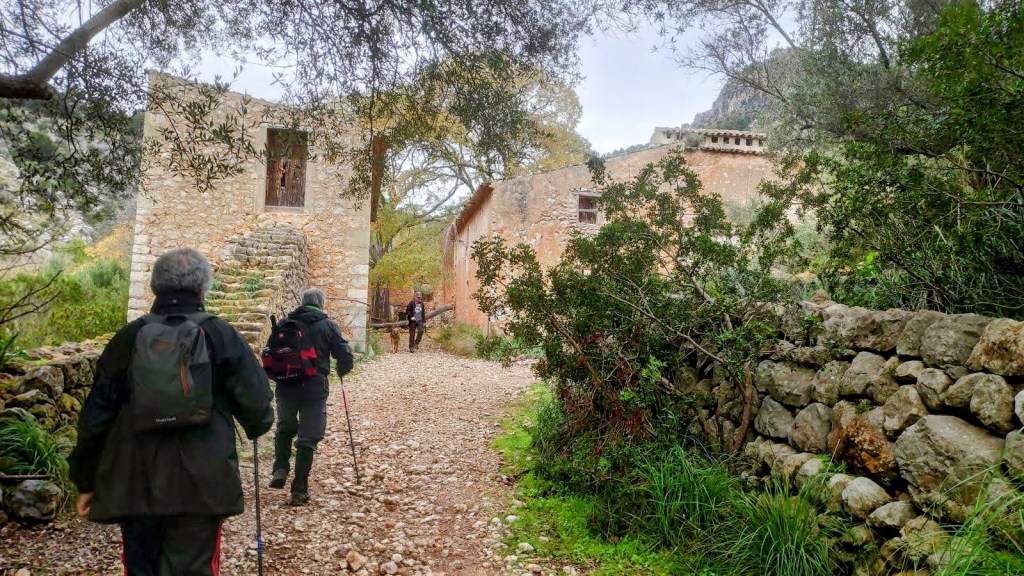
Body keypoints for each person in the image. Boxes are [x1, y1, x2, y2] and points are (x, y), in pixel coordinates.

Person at [69, 248, 274, 576]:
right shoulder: (219, 334)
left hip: (135, 483)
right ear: (203, 287)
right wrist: (255, 424)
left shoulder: (128, 338)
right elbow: (259, 408)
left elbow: (96, 415)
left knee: (140, 569)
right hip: (202, 486)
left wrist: (86, 480)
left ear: (154, 286)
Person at [268, 288, 354, 505]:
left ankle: (280, 467)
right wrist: (342, 369)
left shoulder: (286, 323)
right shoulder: (328, 325)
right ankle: (299, 489)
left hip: (286, 384)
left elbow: (272, 351)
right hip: (315, 386)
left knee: (285, 425)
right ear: (321, 303)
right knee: (308, 436)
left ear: (302, 302)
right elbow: (344, 354)